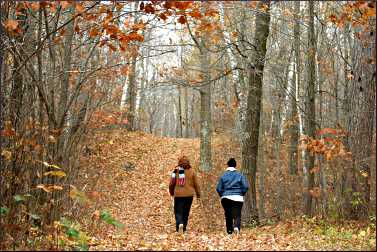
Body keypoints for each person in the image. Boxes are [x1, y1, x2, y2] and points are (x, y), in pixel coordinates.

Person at [216, 158, 249, 235]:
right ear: (235, 165)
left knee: (228, 215)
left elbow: (218, 188)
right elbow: (246, 186)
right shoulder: (240, 175)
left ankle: (229, 232)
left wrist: (222, 195)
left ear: (228, 165)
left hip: (226, 198)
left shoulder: (223, 176)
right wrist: (241, 193)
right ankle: (236, 227)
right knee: (237, 214)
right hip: (238, 197)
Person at [169, 156, 201, 233]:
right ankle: (183, 228)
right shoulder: (192, 171)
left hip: (178, 195)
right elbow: (196, 184)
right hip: (189, 195)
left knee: (178, 211)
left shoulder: (176, 171)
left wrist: (172, 192)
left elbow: (171, 184)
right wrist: (198, 195)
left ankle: (180, 224)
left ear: (179, 163)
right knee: (186, 212)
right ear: (188, 163)